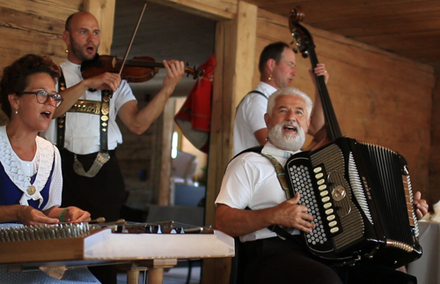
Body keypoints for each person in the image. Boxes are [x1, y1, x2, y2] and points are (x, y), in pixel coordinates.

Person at [215, 87, 429, 284]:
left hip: (329, 255)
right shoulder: (247, 163)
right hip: (271, 256)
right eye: (283, 110)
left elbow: (363, 212)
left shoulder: (322, 165)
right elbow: (222, 221)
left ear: (307, 124)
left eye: (299, 112)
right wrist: (273, 215)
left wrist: (405, 214)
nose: (291, 117)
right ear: (268, 120)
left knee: (399, 281)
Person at [41, 11, 185, 223]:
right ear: (66, 37)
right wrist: (87, 83)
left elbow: (137, 124)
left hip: (104, 175)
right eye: (83, 32)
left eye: (96, 33)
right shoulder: (52, 75)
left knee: (102, 242)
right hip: (59, 173)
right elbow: (51, 109)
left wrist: (167, 88)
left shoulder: (116, 79)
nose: (92, 39)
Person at [0, 54, 98, 283]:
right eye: (42, 94)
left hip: (40, 253)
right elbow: (25, 212)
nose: (51, 102)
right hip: (5, 257)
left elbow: (46, 211)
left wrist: (66, 213)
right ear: (14, 100)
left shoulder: (50, 153)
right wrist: (17, 212)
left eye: (54, 96)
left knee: (90, 282)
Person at [233, 41, 329, 156]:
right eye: (290, 65)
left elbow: (316, 129)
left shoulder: (270, 99)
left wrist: (320, 87)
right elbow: (275, 144)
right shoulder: (257, 100)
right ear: (271, 65)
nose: (295, 73)